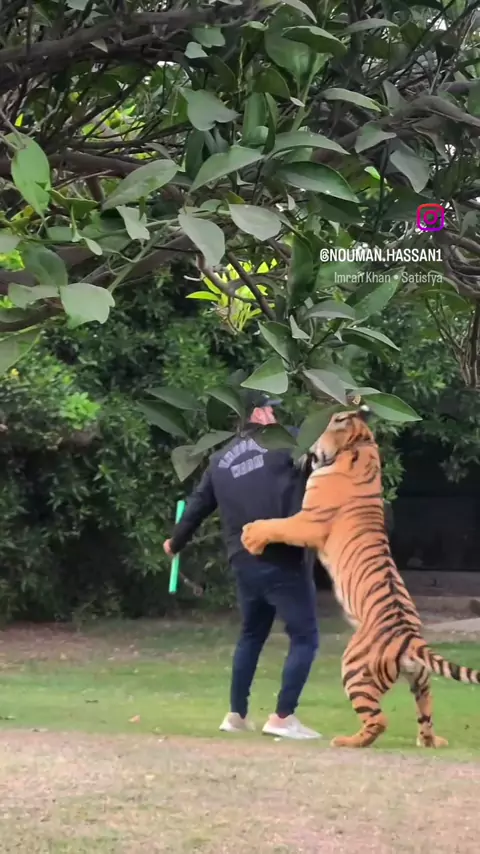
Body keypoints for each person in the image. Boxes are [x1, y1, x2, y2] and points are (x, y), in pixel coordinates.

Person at [163, 393, 321, 740]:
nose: (275, 416)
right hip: (284, 555)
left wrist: (174, 543)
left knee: (251, 635)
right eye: (271, 410)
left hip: (243, 560)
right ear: (259, 414)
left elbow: (196, 507)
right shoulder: (289, 441)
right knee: (305, 637)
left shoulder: (219, 460)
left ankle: (236, 715)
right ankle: (282, 718)